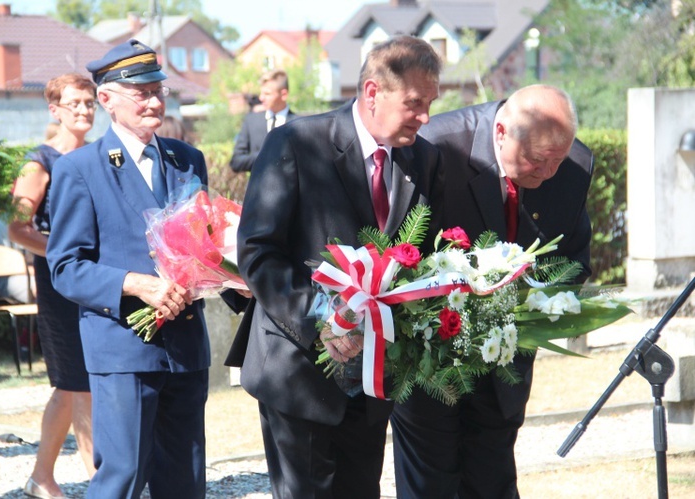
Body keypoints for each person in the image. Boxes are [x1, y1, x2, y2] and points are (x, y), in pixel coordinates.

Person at [226, 35, 446, 498]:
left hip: (371, 378)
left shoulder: (423, 158)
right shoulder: (295, 142)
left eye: (431, 103)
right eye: (414, 103)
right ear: (372, 92)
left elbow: (422, 257)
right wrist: (322, 320)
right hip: (297, 369)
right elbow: (258, 250)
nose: (425, 117)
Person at [45, 39, 247, 499]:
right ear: (106, 100)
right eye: (142, 92)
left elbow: (205, 244)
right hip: (124, 348)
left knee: (185, 481)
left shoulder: (185, 159)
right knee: (123, 478)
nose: (155, 101)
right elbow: (66, 267)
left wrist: (238, 281)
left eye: (159, 89)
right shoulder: (80, 169)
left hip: (185, 347)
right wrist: (136, 285)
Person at [390, 84, 594, 498]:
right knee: (431, 486)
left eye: (557, 160)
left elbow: (574, 261)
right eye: (538, 160)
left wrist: (537, 306)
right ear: (501, 132)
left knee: (493, 482)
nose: (549, 173)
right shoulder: (438, 148)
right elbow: (401, 251)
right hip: (432, 358)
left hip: (505, 360)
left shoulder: (571, 165)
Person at [7, 73, 97, 499]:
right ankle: (102, 483)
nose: (83, 110)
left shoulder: (98, 156)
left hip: (97, 281)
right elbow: (16, 229)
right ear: (55, 109)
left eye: (90, 103)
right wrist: (63, 253)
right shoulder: (39, 162)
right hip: (60, 282)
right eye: (74, 103)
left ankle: (41, 477)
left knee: (72, 385)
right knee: (79, 383)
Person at [228, 69, 297, 172]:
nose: (261, 98)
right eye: (261, 93)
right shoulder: (251, 121)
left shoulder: (298, 125)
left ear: (284, 95)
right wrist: (266, 155)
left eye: (267, 94)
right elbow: (236, 162)